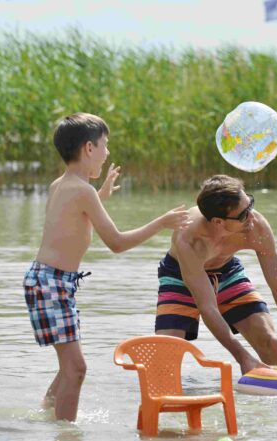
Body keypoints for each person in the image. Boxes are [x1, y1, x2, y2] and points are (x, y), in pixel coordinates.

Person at [23, 112, 190, 422]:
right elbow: (116, 243)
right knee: (76, 368)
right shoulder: (82, 191)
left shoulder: (62, 184)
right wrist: (162, 222)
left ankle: (46, 414)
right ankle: (64, 438)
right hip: (52, 283)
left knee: (68, 367)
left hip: (49, 280)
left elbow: (72, 216)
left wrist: (100, 196)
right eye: (105, 145)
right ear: (89, 148)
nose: (107, 152)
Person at [155, 174, 277, 376]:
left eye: (250, 204)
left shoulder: (256, 226)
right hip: (180, 274)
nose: (252, 216)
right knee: (165, 361)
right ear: (218, 222)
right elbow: (208, 307)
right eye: (243, 214)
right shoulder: (189, 239)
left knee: (270, 342)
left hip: (227, 270)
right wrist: (242, 356)